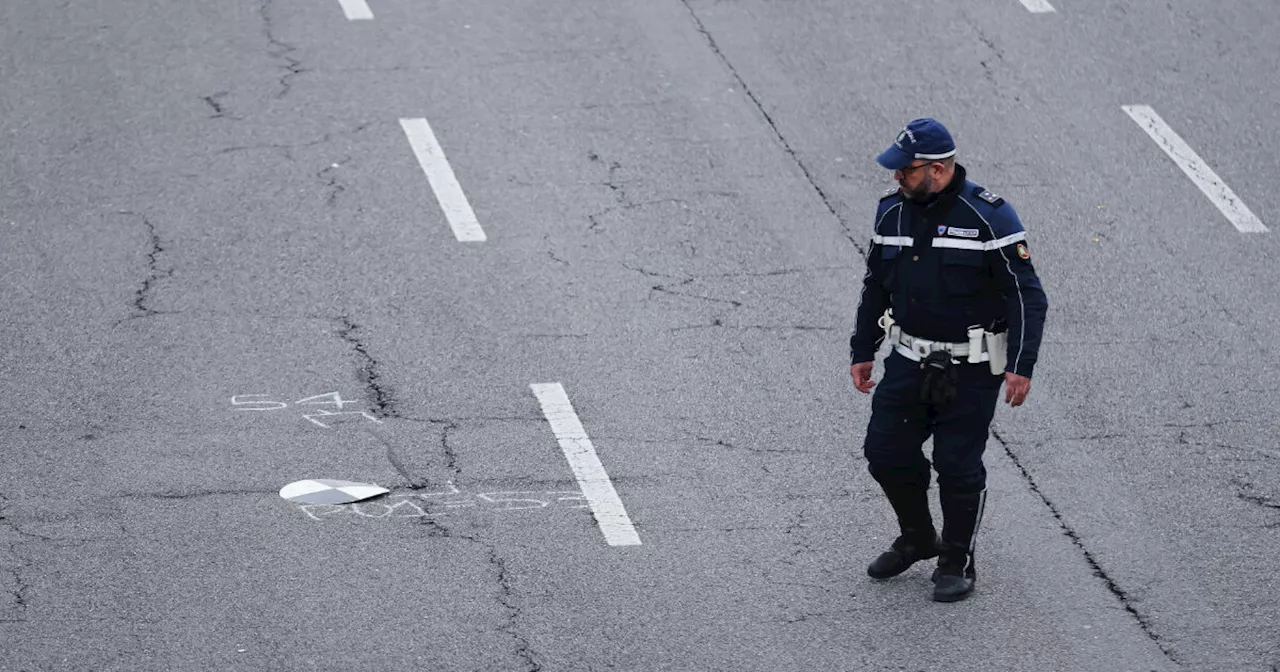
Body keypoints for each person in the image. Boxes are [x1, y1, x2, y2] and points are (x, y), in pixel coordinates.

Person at [849, 118, 1048, 602]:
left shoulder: (989, 218)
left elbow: (1027, 296)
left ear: (937, 170)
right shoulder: (890, 213)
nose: (896, 179)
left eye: (906, 171)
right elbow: (875, 285)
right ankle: (918, 537)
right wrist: (862, 350)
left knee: (957, 465)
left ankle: (957, 558)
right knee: (885, 453)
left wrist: (1021, 365)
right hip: (908, 358)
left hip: (972, 366)